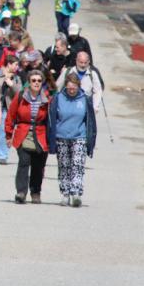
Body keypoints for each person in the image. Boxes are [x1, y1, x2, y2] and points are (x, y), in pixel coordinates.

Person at [48, 71, 97, 207]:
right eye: (69, 87)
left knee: (77, 165)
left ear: (78, 86)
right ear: (65, 86)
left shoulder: (85, 99)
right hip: (61, 136)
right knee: (64, 166)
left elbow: (90, 121)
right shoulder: (58, 98)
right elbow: (52, 119)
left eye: (74, 87)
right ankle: (65, 194)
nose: (71, 90)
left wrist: (91, 140)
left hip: (79, 136)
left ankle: (76, 193)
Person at [6, 69, 50, 204]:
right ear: (29, 83)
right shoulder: (21, 96)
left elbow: (52, 119)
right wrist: (8, 135)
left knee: (38, 166)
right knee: (24, 163)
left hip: (41, 134)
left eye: (39, 81)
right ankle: (21, 192)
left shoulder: (47, 98)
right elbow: (11, 116)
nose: (36, 83)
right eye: (33, 80)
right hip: (23, 132)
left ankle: (35, 192)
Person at [0, 54, 21, 164]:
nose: (17, 67)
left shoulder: (16, 78)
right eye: (15, 65)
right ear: (9, 64)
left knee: (5, 131)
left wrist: (12, 85)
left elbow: (20, 93)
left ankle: (2, 156)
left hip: (8, 108)